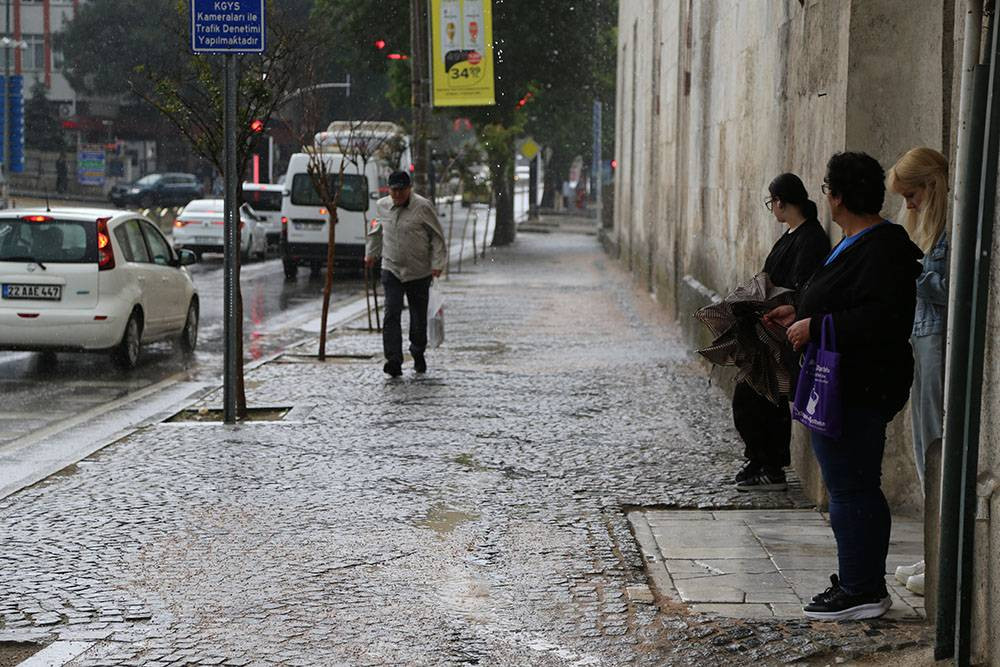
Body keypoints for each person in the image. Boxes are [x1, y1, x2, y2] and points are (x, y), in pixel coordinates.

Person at [764, 152, 923, 621]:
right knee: (850, 486)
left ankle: (861, 589)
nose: (826, 197)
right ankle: (860, 582)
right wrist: (800, 314)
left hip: (859, 388)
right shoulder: (855, 242)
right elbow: (847, 299)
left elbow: (884, 318)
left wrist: (818, 328)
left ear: (838, 196)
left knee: (852, 489)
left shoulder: (882, 246)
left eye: (828, 188)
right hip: (844, 385)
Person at [734, 173, 830, 491]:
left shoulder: (811, 238)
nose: (771, 208)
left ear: (781, 202)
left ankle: (772, 465)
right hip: (769, 326)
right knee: (753, 395)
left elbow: (804, 286)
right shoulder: (790, 235)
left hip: (786, 329)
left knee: (765, 395)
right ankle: (761, 459)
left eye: (771, 202)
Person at [886, 147, 950, 597]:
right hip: (922, 337)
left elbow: (950, 287)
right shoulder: (929, 227)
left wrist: (910, 273)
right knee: (920, 441)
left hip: (937, 341)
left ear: (931, 187)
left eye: (911, 195)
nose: (907, 205)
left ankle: (943, 556)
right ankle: (934, 549)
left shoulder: (947, 228)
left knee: (933, 442)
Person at [365, 170, 446, 378]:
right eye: (394, 190)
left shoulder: (423, 207)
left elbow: (437, 237)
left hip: (419, 271)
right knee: (391, 312)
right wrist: (371, 254)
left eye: (402, 190)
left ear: (409, 189)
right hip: (391, 268)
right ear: (389, 190)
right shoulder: (382, 206)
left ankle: (418, 352)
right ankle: (393, 360)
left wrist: (437, 263)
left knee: (418, 316)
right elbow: (377, 231)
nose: (398, 194)